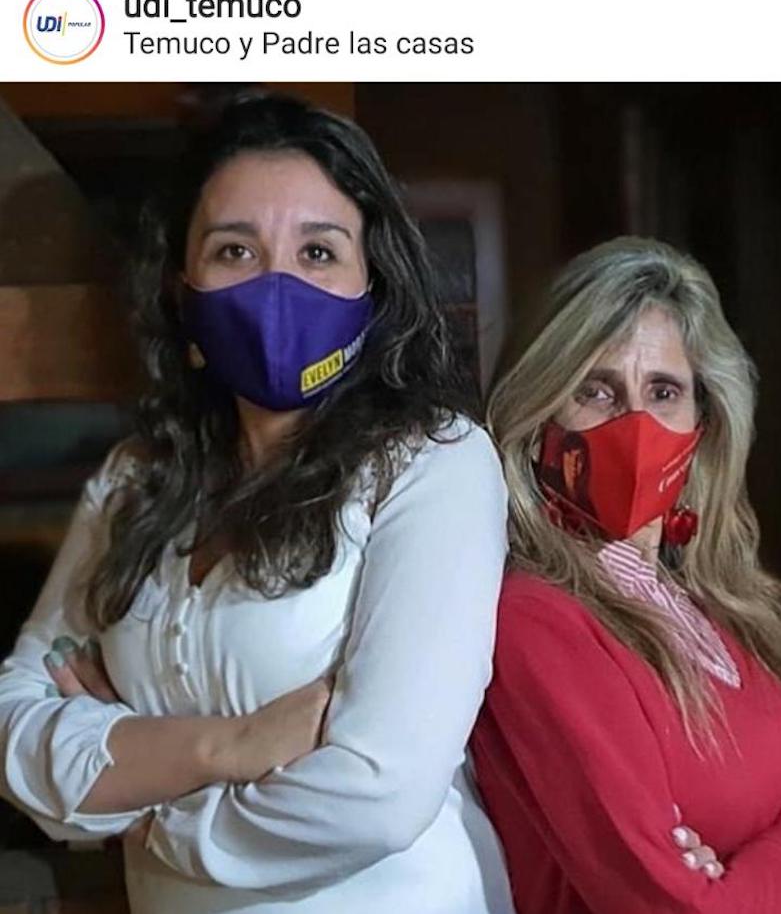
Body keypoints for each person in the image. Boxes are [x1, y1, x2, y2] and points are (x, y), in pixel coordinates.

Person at [0, 94, 514, 914]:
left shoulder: (432, 462)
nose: (278, 285)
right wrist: (227, 745)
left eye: (318, 250)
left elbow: (378, 794)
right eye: (235, 249)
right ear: (181, 288)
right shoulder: (138, 477)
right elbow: (12, 724)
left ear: (373, 283)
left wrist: (139, 804)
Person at [471, 237, 781, 914]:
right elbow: (678, 906)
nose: (635, 423)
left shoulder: (724, 602)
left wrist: (744, 877)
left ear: (701, 426)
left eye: (664, 392)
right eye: (596, 390)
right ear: (539, 422)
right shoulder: (535, 620)